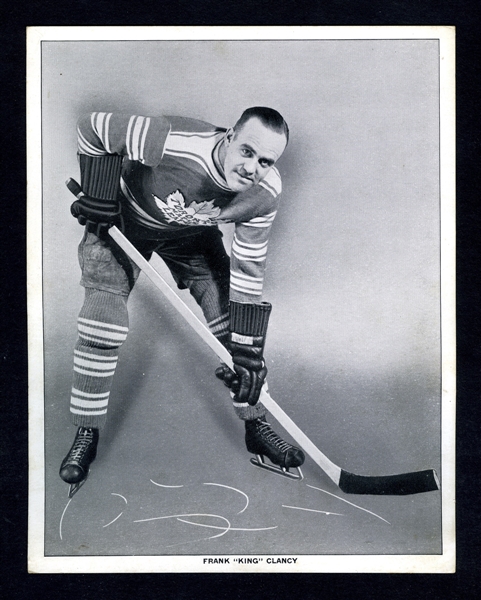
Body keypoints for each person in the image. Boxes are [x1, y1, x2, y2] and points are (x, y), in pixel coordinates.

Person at [59, 106, 305, 496]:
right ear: (229, 137)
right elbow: (94, 128)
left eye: (264, 161)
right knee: (102, 323)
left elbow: (248, 273)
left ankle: (256, 426)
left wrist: (245, 349)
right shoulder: (173, 141)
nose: (251, 168)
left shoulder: (265, 194)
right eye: (246, 151)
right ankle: (86, 432)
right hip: (123, 222)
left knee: (232, 332)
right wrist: (99, 193)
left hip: (189, 238)